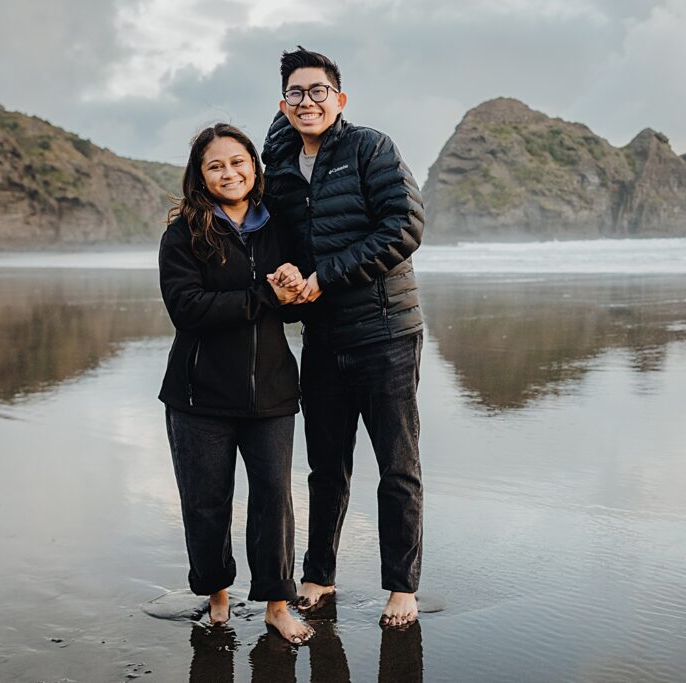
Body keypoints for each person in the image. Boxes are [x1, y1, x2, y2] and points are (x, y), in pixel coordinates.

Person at [261, 47, 425, 628]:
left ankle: (401, 588)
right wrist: (281, 274)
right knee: (326, 466)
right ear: (284, 103)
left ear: (340, 98)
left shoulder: (369, 148)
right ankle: (319, 576)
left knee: (396, 466)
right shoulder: (277, 160)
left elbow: (404, 226)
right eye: (297, 94)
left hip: (386, 332)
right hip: (322, 336)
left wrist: (321, 276)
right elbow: (273, 235)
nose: (308, 102)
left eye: (318, 92)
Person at [158, 123, 314, 644]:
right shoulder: (184, 232)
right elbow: (188, 308)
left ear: (255, 165)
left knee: (274, 500)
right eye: (216, 165)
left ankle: (276, 605)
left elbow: (302, 281)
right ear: (200, 176)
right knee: (207, 502)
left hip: (270, 391)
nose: (230, 172)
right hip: (198, 395)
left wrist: (295, 285)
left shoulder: (281, 226)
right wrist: (266, 297)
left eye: (238, 161)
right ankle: (217, 598)